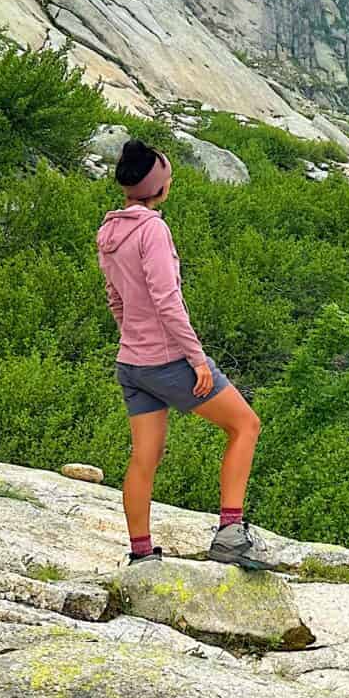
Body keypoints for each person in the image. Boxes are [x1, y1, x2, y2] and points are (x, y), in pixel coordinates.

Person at [97, 138, 266, 568]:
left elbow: (115, 299)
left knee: (144, 457)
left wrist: (132, 338)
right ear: (159, 186)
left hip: (131, 363)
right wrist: (195, 359)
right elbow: (167, 300)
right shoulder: (152, 229)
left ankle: (141, 554)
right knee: (245, 425)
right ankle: (230, 533)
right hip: (169, 360)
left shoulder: (109, 231)